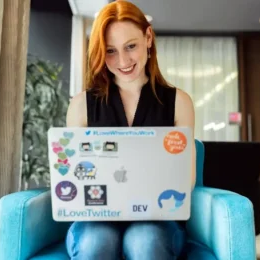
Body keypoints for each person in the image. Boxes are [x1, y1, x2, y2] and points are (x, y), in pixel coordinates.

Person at [65, 1, 196, 259]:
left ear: (148, 37)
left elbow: (186, 178)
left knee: (145, 241)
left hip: (158, 217)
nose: (122, 61)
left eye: (131, 46)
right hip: (96, 219)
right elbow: (75, 175)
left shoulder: (179, 102)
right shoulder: (82, 105)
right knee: (95, 243)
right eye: (111, 51)